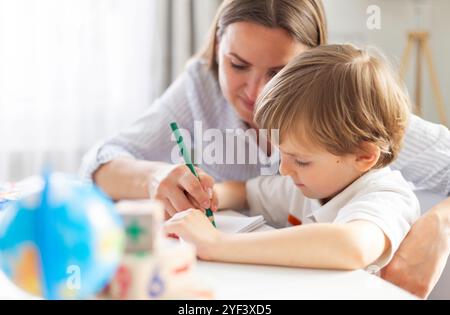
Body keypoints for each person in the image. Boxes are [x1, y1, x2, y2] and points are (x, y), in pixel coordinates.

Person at [80, 0, 450, 297]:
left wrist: (438, 224)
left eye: (278, 73)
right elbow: (249, 191)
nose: (256, 94)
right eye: (238, 65)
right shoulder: (303, 184)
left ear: (311, 70)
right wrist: (189, 189)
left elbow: (349, 245)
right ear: (216, 50)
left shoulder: (353, 116)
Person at [164, 44, 421, 271]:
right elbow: (246, 192)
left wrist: (218, 244)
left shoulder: (387, 196)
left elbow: (350, 246)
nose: (284, 169)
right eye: (282, 153)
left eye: (300, 160)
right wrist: (207, 195)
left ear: (364, 156)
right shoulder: (309, 186)